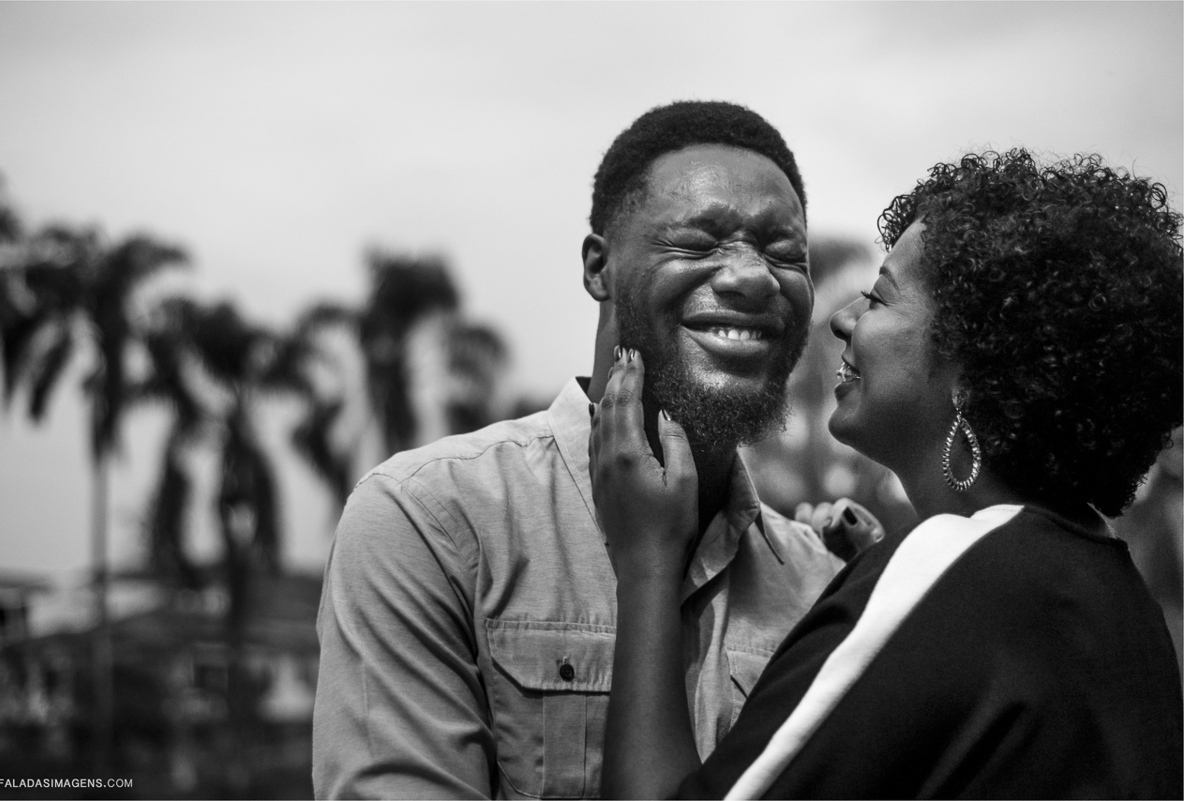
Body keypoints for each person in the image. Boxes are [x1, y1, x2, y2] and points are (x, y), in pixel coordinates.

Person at [312, 101, 877, 799]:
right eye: (700, 242)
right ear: (598, 267)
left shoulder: (826, 581)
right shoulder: (432, 522)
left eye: (784, 254)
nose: (752, 276)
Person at [591, 149, 1184, 799]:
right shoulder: (1124, 602)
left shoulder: (951, 574)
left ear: (972, 371)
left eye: (878, 298)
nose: (843, 318)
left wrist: (647, 558)